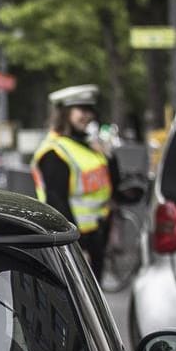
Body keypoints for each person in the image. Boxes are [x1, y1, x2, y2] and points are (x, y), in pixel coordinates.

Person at [33, 85, 118, 282]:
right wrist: (76, 247)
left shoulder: (89, 146)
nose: (88, 116)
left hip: (97, 237)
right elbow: (57, 202)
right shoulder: (54, 152)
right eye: (81, 110)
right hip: (77, 242)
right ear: (64, 113)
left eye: (90, 110)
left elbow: (113, 186)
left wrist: (110, 156)